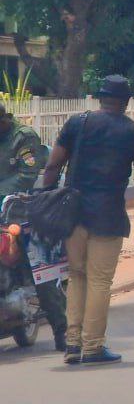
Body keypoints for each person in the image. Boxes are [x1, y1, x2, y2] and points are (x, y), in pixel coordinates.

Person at [41, 75, 134, 365]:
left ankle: (72, 343)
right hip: (108, 214)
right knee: (99, 281)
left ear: (98, 98)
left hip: (73, 213)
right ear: (127, 102)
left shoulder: (77, 123)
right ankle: (93, 346)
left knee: (76, 276)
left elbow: (53, 165)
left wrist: (45, 200)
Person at [0, 102, 68, 351]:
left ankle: (62, 331)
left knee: (40, 268)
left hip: (19, 208)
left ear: (4, 120)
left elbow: (27, 174)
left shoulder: (23, 137)